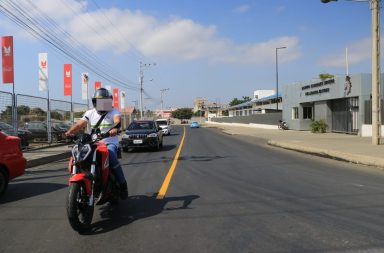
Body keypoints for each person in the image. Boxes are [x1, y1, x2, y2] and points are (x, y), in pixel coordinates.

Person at [65, 88, 128, 200]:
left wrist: (115, 128)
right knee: (77, 156)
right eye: (100, 101)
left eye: (105, 101)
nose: (103, 104)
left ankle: (123, 185)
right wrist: (69, 132)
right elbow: (80, 124)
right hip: (93, 143)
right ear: (95, 102)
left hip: (109, 143)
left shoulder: (114, 111)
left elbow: (117, 121)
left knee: (111, 156)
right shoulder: (90, 113)